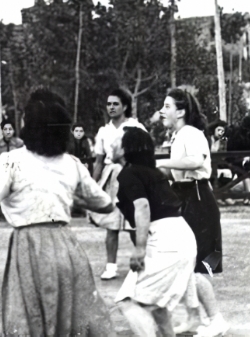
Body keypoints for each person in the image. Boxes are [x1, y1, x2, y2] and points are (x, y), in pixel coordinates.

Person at [0, 89, 115, 336]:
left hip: (29, 249)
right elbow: (105, 204)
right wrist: (68, 196)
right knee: (69, 322)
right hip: (67, 249)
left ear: (30, 125)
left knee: (30, 321)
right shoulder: (71, 163)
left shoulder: (10, 160)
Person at [156, 89, 229, 337]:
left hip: (198, 199)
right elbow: (177, 171)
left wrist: (161, 163)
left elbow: (196, 162)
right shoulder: (179, 135)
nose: (162, 111)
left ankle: (216, 320)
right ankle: (193, 317)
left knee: (198, 266)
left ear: (181, 111)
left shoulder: (192, 133)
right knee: (186, 262)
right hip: (185, 196)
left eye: (167, 106)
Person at [113, 127, 199, 337]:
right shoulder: (152, 172)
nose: (112, 145)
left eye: (117, 141)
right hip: (181, 236)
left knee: (129, 302)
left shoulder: (129, 173)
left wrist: (140, 249)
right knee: (157, 305)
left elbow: (142, 207)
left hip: (165, 240)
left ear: (125, 149)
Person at [88, 88, 143, 280]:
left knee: (134, 225)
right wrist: (93, 185)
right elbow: (98, 161)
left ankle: (143, 264)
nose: (111, 107)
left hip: (131, 176)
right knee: (111, 225)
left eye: (115, 104)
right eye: (109, 104)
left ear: (125, 106)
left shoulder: (135, 127)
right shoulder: (104, 131)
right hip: (111, 179)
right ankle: (111, 266)